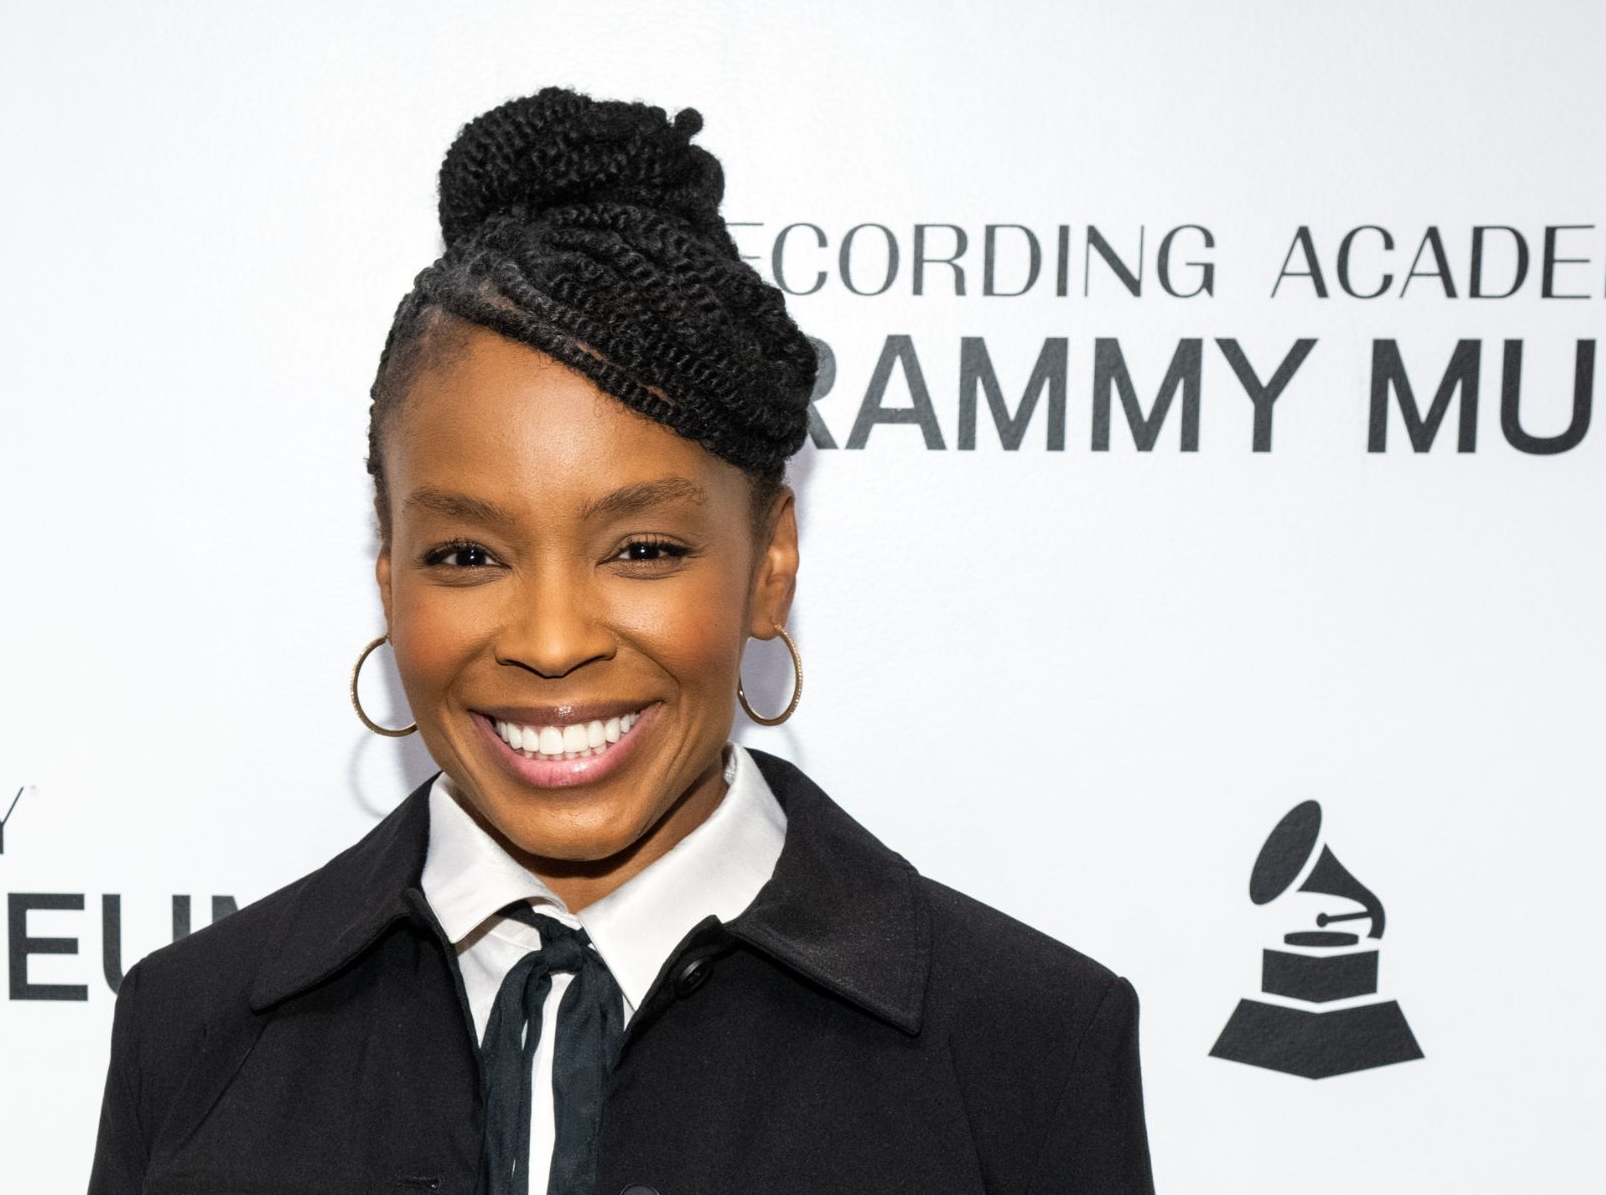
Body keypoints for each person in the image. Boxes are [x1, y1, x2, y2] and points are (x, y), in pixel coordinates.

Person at [86, 86, 1155, 1195]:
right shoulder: (194, 1029)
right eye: (466, 555)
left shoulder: (1022, 1046)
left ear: (769, 567)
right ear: (388, 573)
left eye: (642, 549)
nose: (552, 642)